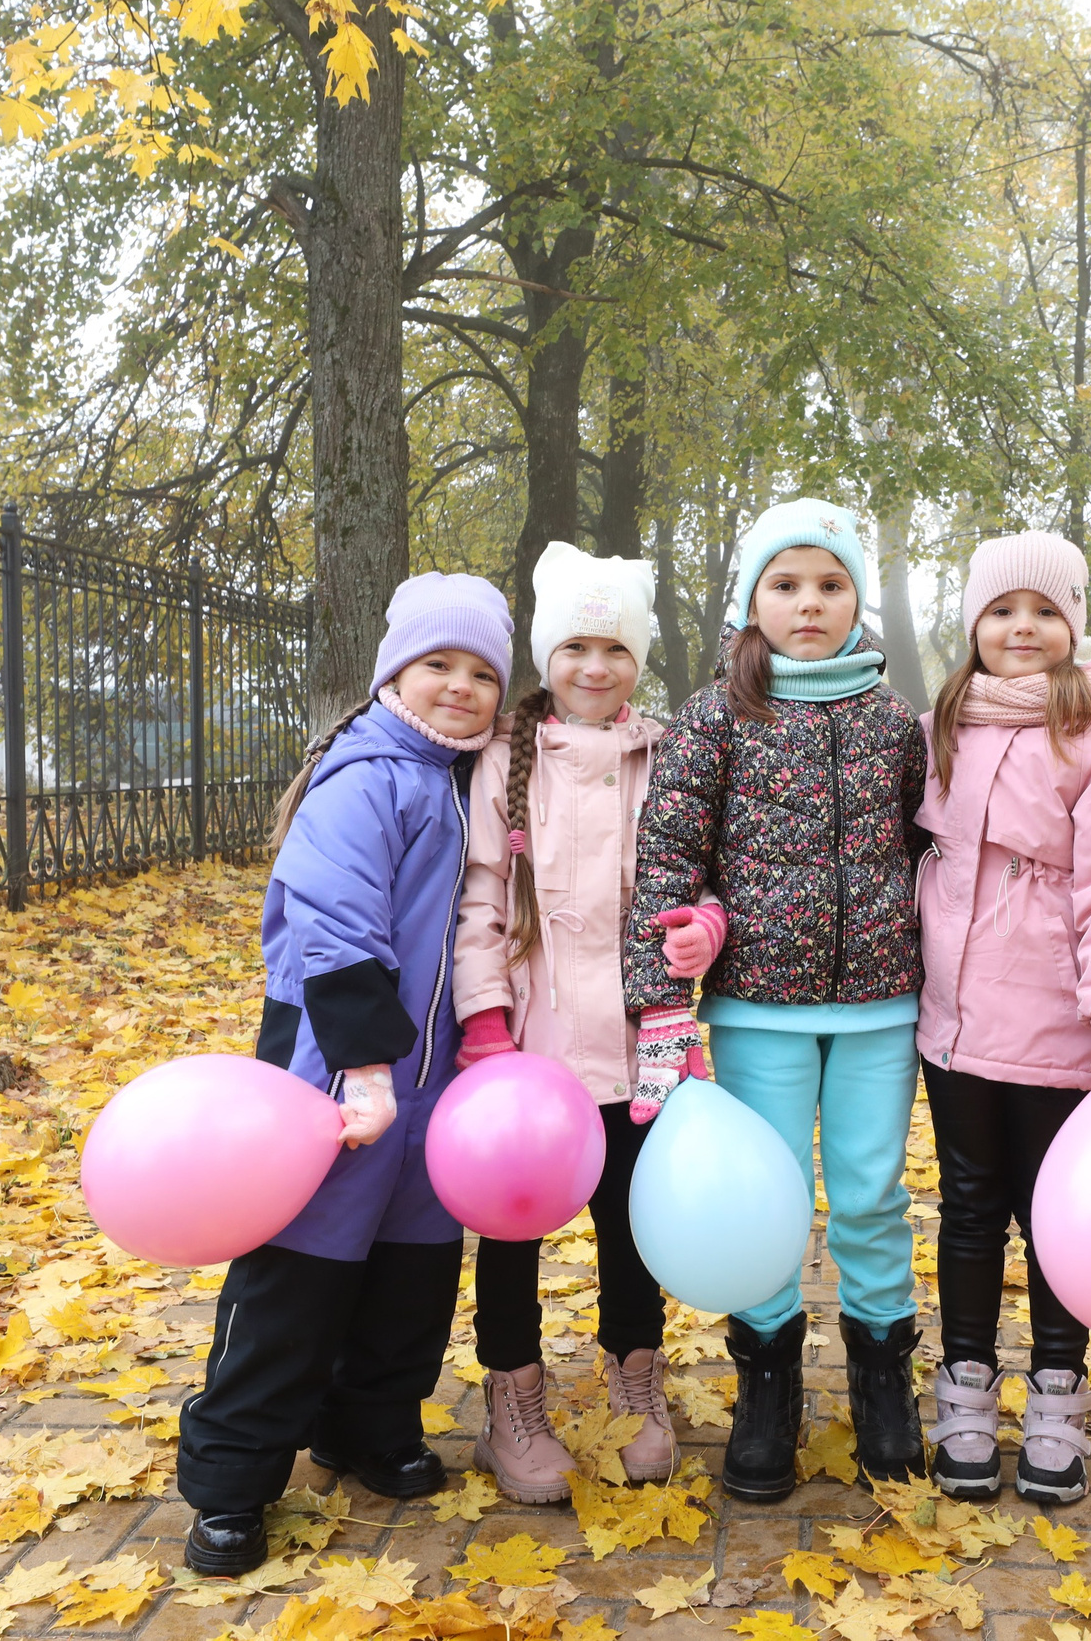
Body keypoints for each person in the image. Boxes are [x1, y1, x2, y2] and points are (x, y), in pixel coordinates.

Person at [177, 573, 512, 1576]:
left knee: (412, 1262)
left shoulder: (472, 781)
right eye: (436, 665)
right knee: (302, 1267)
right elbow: (334, 923)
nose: (459, 687)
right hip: (338, 1061)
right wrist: (364, 1064)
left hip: (435, 1075)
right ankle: (231, 1480)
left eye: (481, 672)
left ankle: (369, 1423)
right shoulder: (368, 773)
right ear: (392, 675)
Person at [624, 500, 931, 1503]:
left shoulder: (894, 724)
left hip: (881, 1004)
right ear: (752, 601)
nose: (809, 604)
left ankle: (883, 1385)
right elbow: (669, 854)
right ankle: (768, 1394)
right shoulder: (717, 715)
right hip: (757, 1007)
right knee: (766, 1201)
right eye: (786, 584)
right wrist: (666, 989)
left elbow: (928, 849)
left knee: (873, 1195)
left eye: (831, 585)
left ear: (858, 602)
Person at [915, 533, 1091, 1505]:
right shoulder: (949, 719)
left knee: (1054, 1216)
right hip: (955, 1020)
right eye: (1004, 610)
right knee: (970, 1206)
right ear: (974, 623)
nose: (1023, 628)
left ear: (1073, 626)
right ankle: (967, 1383)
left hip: (1059, 1018)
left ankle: (1057, 1387)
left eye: (1046, 612)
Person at [452, 543, 688, 1504]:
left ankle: (637, 1379)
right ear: (546, 656)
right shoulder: (505, 763)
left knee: (632, 1228)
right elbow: (479, 904)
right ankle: (513, 1397)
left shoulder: (665, 756)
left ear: (638, 660)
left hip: (638, 1049)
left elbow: (692, 880)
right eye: (576, 647)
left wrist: (701, 926)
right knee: (511, 1235)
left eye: (616, 648)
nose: (596, 667)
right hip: (530, 1054)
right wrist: (485, 1023)